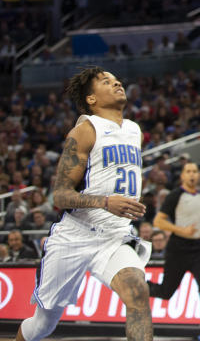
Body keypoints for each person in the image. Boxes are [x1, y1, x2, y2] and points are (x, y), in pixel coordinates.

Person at [17, 68, 152, 341]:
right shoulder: (85, 131)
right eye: (106, 81)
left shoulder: (133, 130)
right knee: (43, 325)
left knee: (138, 293)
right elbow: (60, 196)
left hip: (114, 236)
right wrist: (105, 201)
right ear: (91, 99)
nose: (117, 82)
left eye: (116, 79)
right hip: (75, 236)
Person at [147, 162, 200, 340]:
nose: (192, 174)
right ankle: (141, 285)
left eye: (195, 171)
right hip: (177, 249)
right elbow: (158, 221)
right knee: (166, 292)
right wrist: (181, 230)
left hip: (197, 250)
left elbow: (196, 220)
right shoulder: (175, 195)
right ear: (182, 176)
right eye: (188, 171)